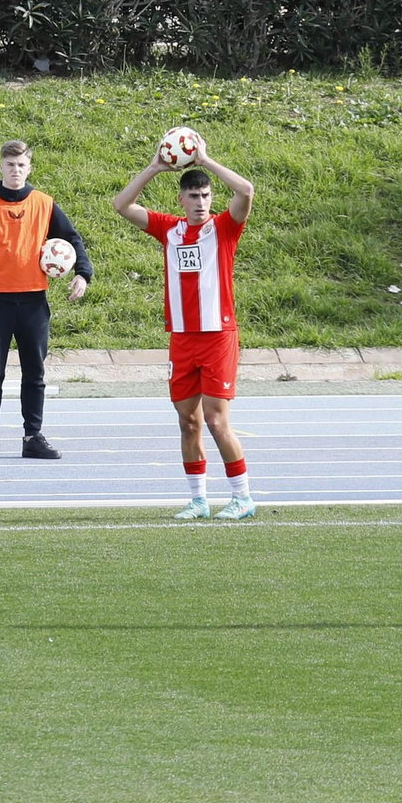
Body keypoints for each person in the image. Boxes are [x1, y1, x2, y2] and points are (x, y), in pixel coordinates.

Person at [112, 133, 258, 520]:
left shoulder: (224, 229)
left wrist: (206, 160)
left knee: (215, 420)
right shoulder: (169, 230)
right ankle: (199, 500)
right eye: (193, 197)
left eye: (206, 196)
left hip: (218, 336)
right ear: (181, 200)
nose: (200, 202)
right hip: (181, 338)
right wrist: (156, 167)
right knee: (187, 421)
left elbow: (245, 189)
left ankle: (242, 498)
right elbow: (121, 204)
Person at [0, 139, 92, 461]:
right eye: (10, 164)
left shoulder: (44, 204)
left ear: (29, 167)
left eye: (21, 165)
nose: (15, 170)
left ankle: (33, 436)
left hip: (34, 303)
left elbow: (72, 239)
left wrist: (82, 272)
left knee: (35, 374)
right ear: (0, 167)